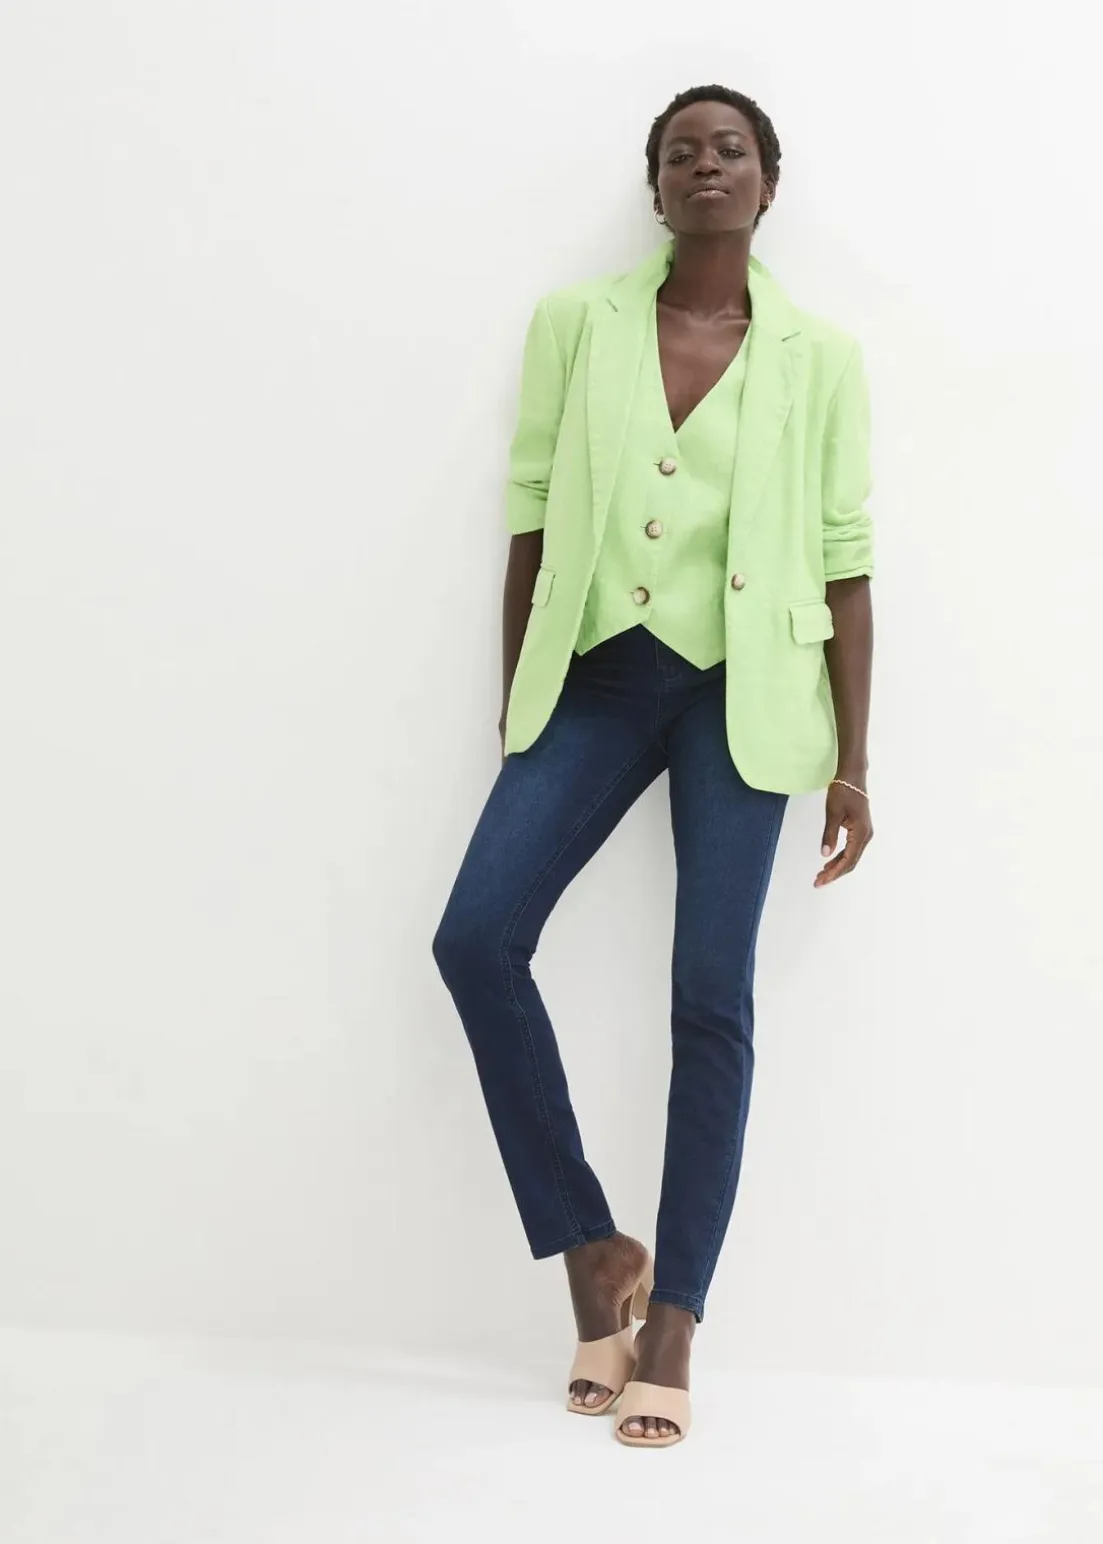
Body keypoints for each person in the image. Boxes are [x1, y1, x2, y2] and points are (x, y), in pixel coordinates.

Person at [432, 84, 875, 1448]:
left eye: (730, 149)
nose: (706, 165)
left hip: (747, 694)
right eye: (683, 151)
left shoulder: (819, 358)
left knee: (709, 1000)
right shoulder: (577, 326)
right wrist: (522, 690)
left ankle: (673, 1316)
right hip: (599, 677)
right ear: (656, 185)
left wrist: (855, 761)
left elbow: (846, 559)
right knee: (475, 937)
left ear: (767, 183)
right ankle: (591, 1251)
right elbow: (529, 509)